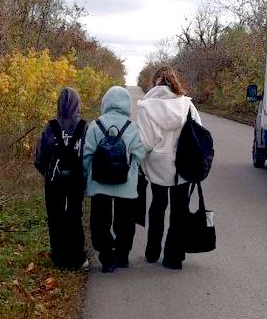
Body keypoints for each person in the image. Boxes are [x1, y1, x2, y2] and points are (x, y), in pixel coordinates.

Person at [136, 66, 201, 270]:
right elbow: (199, 132)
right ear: (174, 82)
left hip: (158, 167)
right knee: (179, 209)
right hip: (183, 165)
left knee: (157, 206)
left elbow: (145, 142)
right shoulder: (187, 105)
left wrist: (139, 162)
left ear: (154, 83)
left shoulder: (147, 107)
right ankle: (174, 257)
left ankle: (153, 251)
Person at [82, 86, 145, 273]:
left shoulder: (95, 125)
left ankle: (107, 258)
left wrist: (87, 177)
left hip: (99, 183)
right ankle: (123, 255)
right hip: (126, 183)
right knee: (125, 221)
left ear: (105, 102)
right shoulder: (132, 127)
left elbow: (87, 155)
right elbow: (139, 154)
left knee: (100, 222)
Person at [34, 87, 89, 270]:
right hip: (76, 180)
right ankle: (78, 258)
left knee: (55, 217)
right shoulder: (84, 127)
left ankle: (59, 258)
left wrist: (49, 174)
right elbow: (89, 156)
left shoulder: (50, 128)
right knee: (74, 215)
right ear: (77, 103)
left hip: (53, 181)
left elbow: (39, 158)